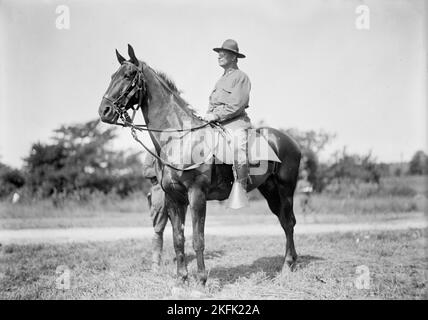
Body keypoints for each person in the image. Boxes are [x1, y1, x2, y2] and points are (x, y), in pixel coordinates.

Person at [204, 39, 252, 208]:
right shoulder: (220, 80)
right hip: (217, 123)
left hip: (235, 123)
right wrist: (206, 116)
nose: (220, 55)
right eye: (219, 53)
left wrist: (215, 115)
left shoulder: (241, 77)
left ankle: (241, 188)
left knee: (239, 149)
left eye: (224, 53)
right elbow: (213, 104)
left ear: (234, 57)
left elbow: (236, 104)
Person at [142, 152, 168, 271]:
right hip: (159, 194)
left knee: (179, 228)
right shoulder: (152, 151)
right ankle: (155, 263)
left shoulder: (175, 150)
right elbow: (146, 171)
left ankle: (180, 261)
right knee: (158, 230)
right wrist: (162, 169)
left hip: (176, 195)